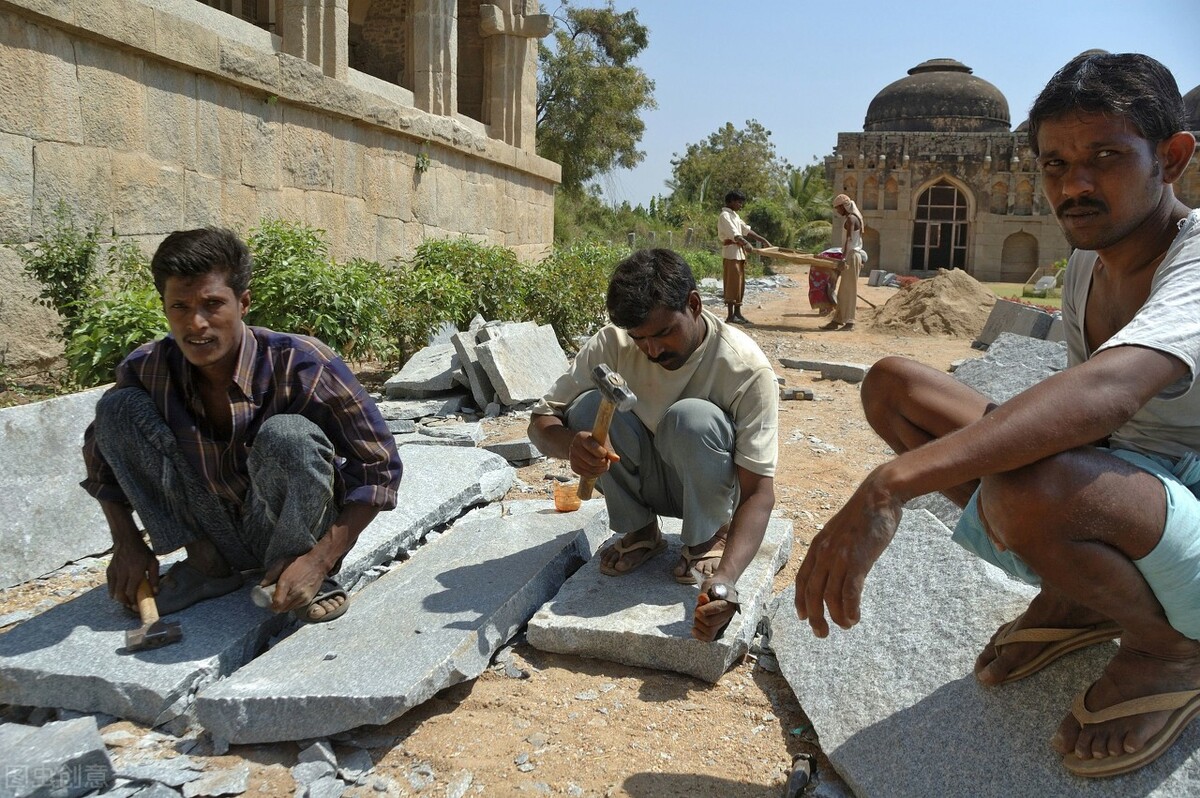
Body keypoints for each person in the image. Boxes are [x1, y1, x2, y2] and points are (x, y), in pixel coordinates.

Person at [793, 52, 1200, 778]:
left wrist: (893, 483)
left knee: (1025, 487)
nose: (1073, 185)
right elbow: (1090, 424)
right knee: (893, 385)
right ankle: (1084, 600)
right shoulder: (1089, 263)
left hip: (1187, 499)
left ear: (1170, 158)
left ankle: (1172, 652)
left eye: (1104, 157)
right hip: (1146, 486)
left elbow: (1109, 393)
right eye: (1054, 164)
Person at [82, 228, 402, 623]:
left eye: (212, 304)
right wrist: (126, 541)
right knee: (117, 409)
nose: (196, 323)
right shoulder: (148, 368)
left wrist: (320, 559)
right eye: (179, 307)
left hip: (285, 526)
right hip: (211, 525)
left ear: (244, 302)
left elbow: (379, 467)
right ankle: (208, 565)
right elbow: (102, 458)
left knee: (289, 435)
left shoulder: (302, 363)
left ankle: (291, 570)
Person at [529, 248, 778, 642]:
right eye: (639, 339)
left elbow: (760, 493)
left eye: (663, 333)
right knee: (589, 406)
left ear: (694, 304)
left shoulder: (744, 368)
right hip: (644, 478)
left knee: (692, 418)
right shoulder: (612, 343)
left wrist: (727, 580)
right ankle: (640, 532)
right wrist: (569, 445)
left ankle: (706, 540)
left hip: (705, 488)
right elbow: (542, 419)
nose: (652, 350)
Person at [717, 191, 771, 325]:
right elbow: (734, 234)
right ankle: (730, 315)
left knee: (740, 284)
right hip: (731, 254)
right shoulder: (725, 216)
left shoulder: (734, 216)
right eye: (738, 202)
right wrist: (746, 243)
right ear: (730, 201)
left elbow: (745, 229)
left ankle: (738, 313)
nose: (741, 205)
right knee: (732, 283)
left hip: (739, 254)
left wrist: (762, 239)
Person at [821, 194, 864, 330]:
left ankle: (850, 321)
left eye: (838, 208)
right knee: (843, 291)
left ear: (844, 207)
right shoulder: (852, 218)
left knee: (849, 290)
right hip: (851, 256)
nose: (838, 211)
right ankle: (838, 320)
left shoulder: (851, 218)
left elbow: (849, 239)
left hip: (851, 256)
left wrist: (843, 258)